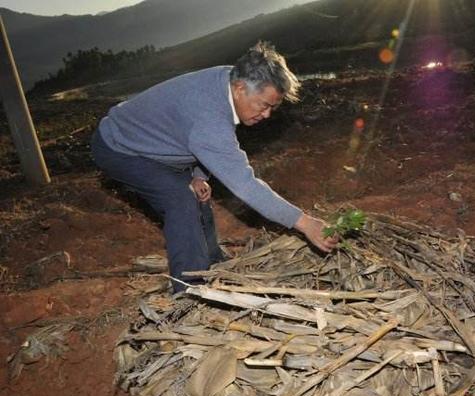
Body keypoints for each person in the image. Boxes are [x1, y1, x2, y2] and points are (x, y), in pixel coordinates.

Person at [91, 41, 338, 292]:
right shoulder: (210, 118)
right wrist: (305, 223)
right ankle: (189, 291)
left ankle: (211, 259)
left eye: (273, 107)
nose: (267, 115)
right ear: (241, 89)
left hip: (155, 140)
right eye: (264, 105)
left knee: (199, 193)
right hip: (119, 146)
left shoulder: (230, 79)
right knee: (180, 199)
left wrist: (198, 175)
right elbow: (245, 184)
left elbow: (190, 131)